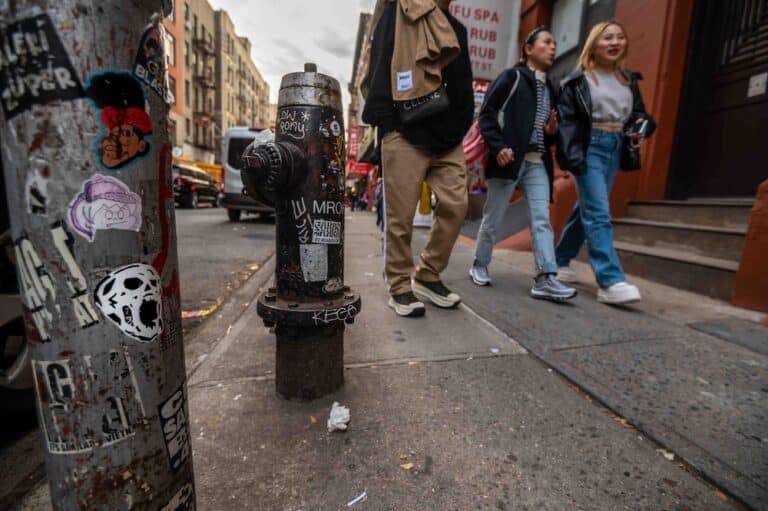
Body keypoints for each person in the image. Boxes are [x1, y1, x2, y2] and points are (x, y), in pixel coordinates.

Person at [362, 0, 474, 317]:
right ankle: (399, 286)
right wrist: (388, 124)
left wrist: (461, 125)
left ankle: (427, 275)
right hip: (404, 129)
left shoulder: (458, 30)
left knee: (456, 205)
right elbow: (380, 66)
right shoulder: (398, 13)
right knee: (400, 219)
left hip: (448, 137)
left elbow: (464, 84)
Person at [468, 27, 576, 302]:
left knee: (541, 219)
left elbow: (544, 131)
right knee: (493, 218)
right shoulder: (512, 77)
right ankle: (479, 264)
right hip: (509, 160)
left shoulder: (551, 87)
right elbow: (487, 116)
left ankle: (545, 277)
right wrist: (498, 147)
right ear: (528, 49)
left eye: (555, 42)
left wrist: (551, 132)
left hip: (537, 162)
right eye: (547, 42)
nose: (553, 48)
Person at [555, 21, 656, 304]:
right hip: (590, 148)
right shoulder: (579, 81)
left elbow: (639, 114)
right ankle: (610, 281)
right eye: (607, 38)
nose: (615, 42)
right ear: (594, 45)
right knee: (598, 211)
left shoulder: (628, 80)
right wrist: (570, 156)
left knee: (587, 207)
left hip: (616, 147)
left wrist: (642, 124)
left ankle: (559, 259)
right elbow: (568, 122)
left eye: (620, 37)